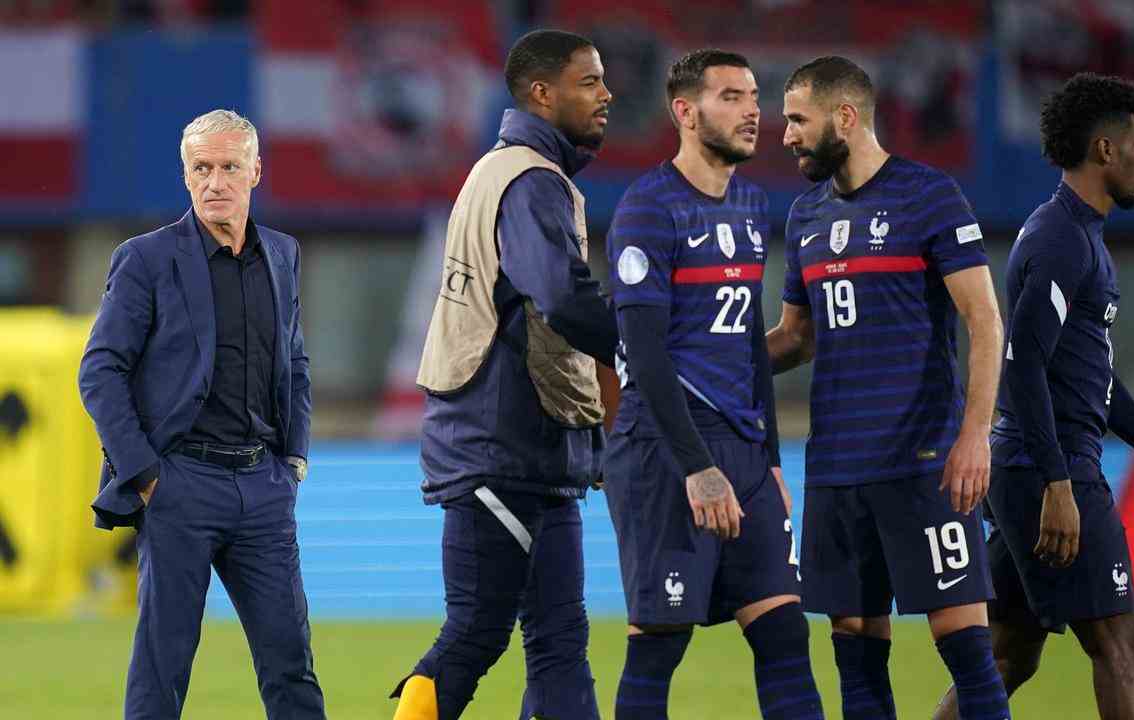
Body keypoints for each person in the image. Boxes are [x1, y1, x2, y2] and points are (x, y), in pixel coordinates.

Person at [932, 73, 1134, 720]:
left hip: (1031, 468)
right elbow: (1023, 366)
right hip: (1051, 469)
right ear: (1103, 151)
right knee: (1123, 644)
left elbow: (1088, 378)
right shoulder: (1061, 240)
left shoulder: (1081, 237)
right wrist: (1059, 484)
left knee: (1010, 653)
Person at [769, 56, 1009, 720]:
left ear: (845, 117)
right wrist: (713, 363)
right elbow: (796, 336)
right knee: (855, 655)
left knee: (966, 652)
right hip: (838, 470)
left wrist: (974, 438)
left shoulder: (929, 196)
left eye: (797, 119)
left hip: (925, 463)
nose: (784, 135)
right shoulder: (805, 214)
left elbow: (985, 320)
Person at [392, 29, 618, 720]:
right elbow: (558, 294)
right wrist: (642, 342)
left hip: (526, 448)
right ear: (542, 94)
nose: (607, 94)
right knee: (475, 635)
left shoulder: (504, 171)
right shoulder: (530, 181)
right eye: (589, 81)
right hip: (502, 445)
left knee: (556, 640)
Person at [79, 109, 324, 719]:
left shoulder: (284, 254)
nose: (216, 181)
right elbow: (99, 371)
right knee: (163, 669)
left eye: (230, 167)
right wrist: (144, 473)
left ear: (256, 172)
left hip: (262, 488)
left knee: (291, 663)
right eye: (202, 168)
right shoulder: (145, 259)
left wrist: (292, 456)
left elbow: (294, 359)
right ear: (186, 176)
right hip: (178, 486)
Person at [603, 49, 825, 720]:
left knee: (786, 634)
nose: (753, 109)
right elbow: (642, 355)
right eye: (730, 96)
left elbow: (748, 344)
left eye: (754, 95)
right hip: (666, 451)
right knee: (660, 644)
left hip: (744, 455)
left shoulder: (754, 205)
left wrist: (772, 460)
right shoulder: (648, 209)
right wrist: (696, 468)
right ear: (685, 111)